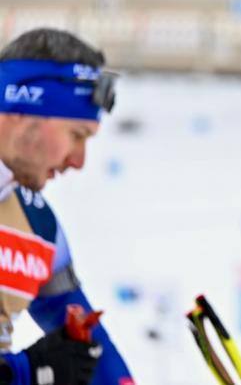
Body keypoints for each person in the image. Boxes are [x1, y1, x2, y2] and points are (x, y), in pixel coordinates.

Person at [0, 28, 134, 385]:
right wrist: (24, 373)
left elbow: (86, 339)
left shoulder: (37, 223)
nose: (79, 161)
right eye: (76, 135)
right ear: (21, 105)